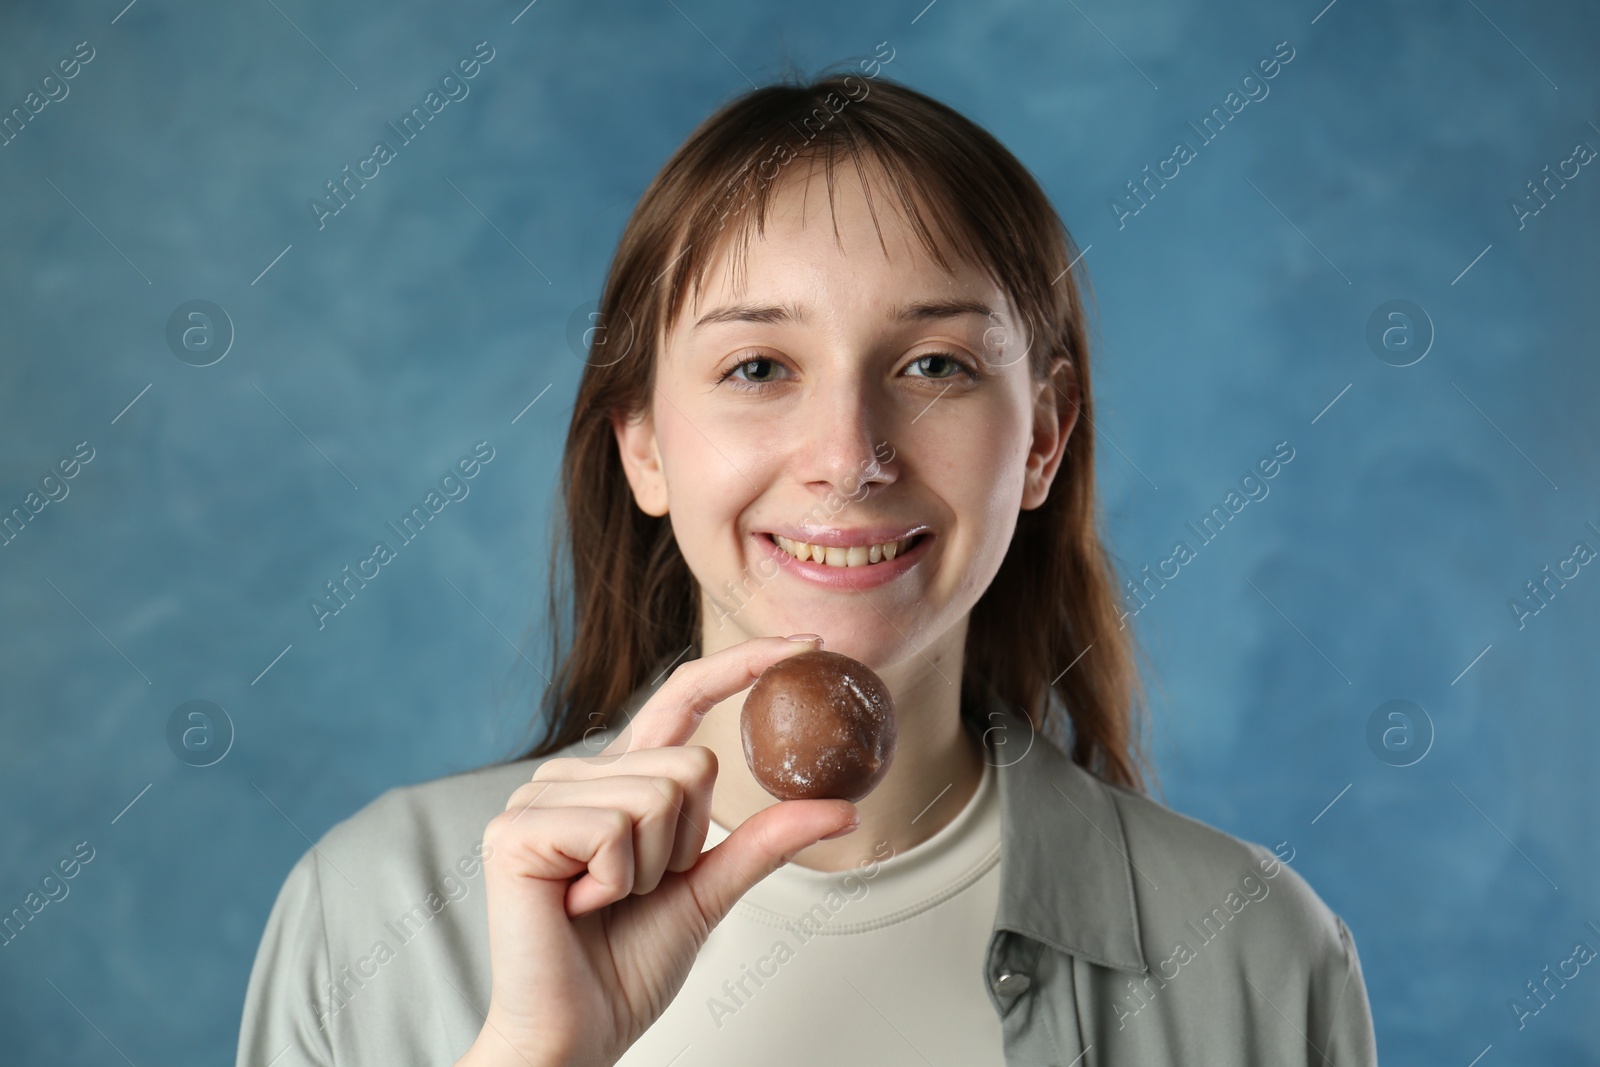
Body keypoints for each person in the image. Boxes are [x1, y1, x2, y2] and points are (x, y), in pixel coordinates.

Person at [237, 66, 1378, 1067]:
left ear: (1042, 436)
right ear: (642, 441)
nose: (848, 458)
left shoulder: (1255, 948)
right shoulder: (374, 910)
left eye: (933, 363)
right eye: (755, 367)